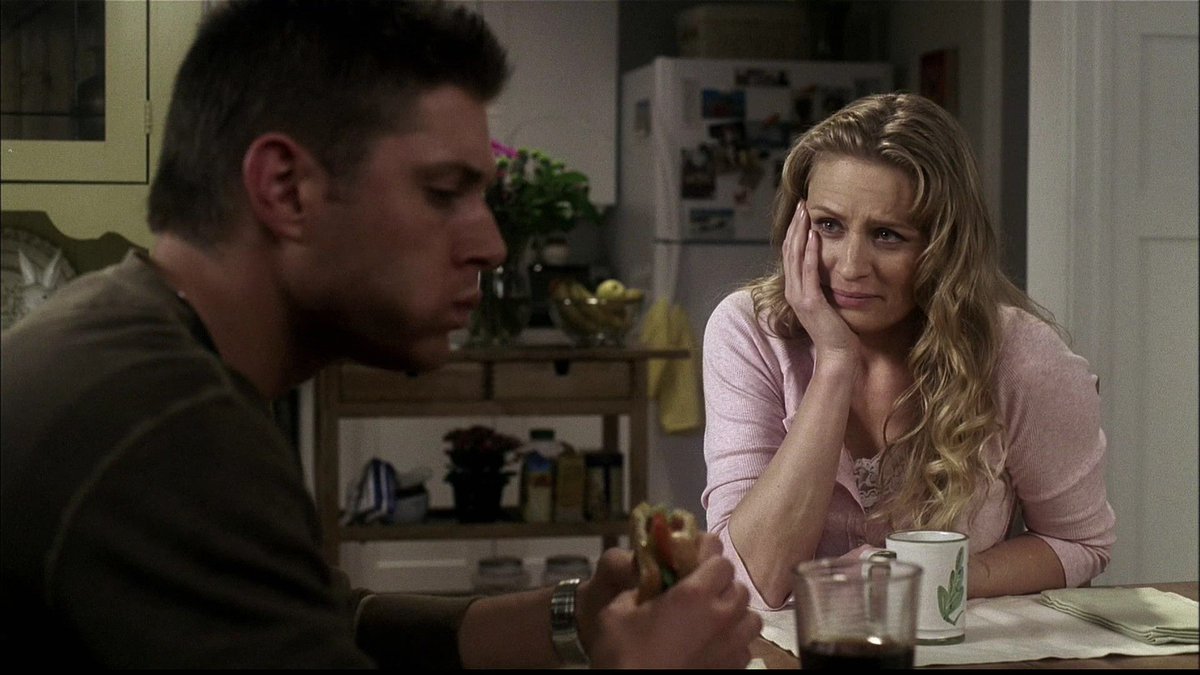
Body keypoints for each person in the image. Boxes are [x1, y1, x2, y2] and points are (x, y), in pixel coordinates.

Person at [0, 1, 760, 668]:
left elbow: (334, 622)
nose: (492, 246)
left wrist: (573, 619)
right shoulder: (167, 421)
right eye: (443, 192)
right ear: (285, 189)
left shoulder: (145, 342)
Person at [700, 92, 1116, 610]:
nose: (851, 266)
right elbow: (751, 580)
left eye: (887, 235)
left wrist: (929, 577)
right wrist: (834, 365)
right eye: (829, 226)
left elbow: (1080, 543)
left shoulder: (1021, 356)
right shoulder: (749, 332)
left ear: (944, 246)